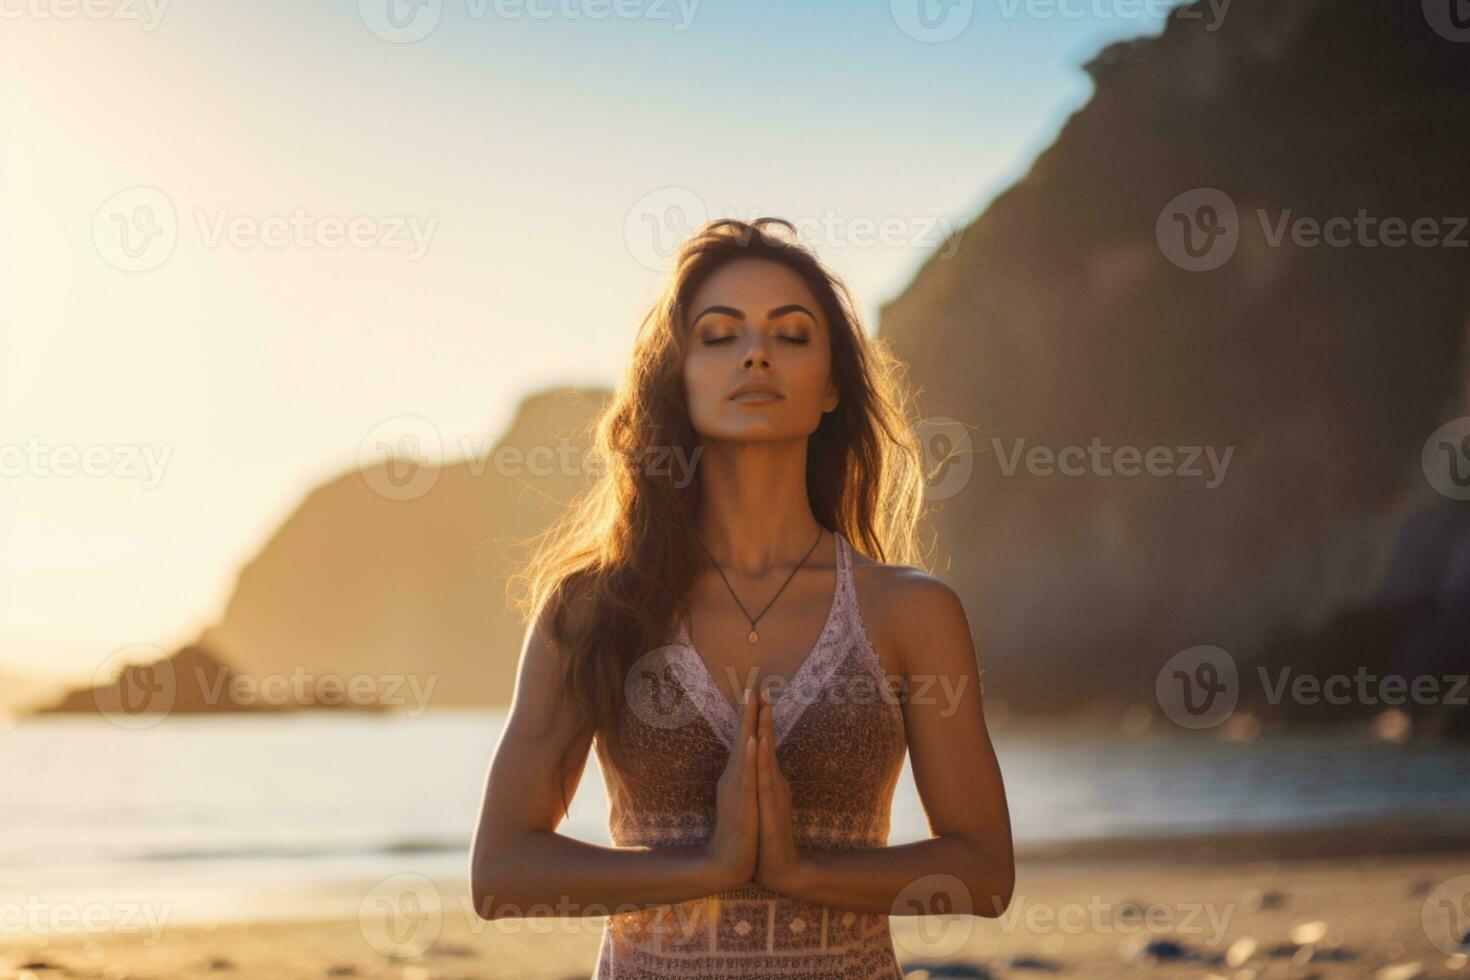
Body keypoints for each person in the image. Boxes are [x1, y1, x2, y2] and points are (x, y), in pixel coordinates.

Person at [470, 217, 1013, 977]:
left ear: (830, 387)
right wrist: (706, 868)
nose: (756, 352)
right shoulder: (593, 608)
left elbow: (985, 873)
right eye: (719, 335)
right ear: (677, 375)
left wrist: (804, 873)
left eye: (791, 335)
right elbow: (501, 875)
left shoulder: (910, 613)